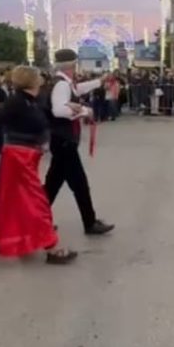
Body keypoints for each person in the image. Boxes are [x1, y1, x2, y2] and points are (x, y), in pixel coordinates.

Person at [0, 66, 77, 264]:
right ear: (31, 80)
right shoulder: (17, 101)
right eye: (38, 76)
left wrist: (73, 108)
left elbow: (48, 116)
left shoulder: (33, 100)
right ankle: (51, 247)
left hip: (25, 155)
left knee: (9, 197)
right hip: (18, 155)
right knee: (36, 201)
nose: (41, 79)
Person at [44, 49, 114, 235]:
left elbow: (79, 89)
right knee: (79, 184)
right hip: (64, 141)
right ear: (71, 65)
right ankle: (90, 223)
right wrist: (84, 111)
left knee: (52, 186)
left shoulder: (65, 83)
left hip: (62, 140)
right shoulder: (62, 86)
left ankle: (35, 219)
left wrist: (99, 81)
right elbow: (58, 110)